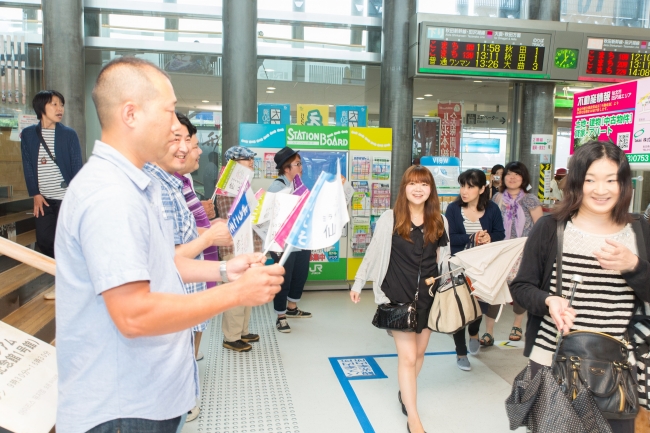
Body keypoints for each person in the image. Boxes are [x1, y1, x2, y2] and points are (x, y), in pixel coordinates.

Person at [54, 56, 284, 433]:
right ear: (131, 114)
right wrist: (237, 293)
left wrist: (226, 270)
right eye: (170, 111)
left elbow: (163, 263)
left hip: (145, 397)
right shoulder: (111, 196)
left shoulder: (135, 186)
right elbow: (134, 314)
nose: (178, 126)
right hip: (123, 409)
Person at [510, 140, 650, 433]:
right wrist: (549, 301)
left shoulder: (640, 232)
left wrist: (634, 267)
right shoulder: (551, 228)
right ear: (576, 182)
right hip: (553, 361)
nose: (601, 190)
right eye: (590, 180)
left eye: (611, 180)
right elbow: (522, 287)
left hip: (618, 370)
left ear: (624, 183)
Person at [350, 165, 450, 433]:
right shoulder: (390, 218)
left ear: (431, 190)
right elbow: (373, 253)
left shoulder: (439, 221)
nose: (418, 189)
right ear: (404, 188)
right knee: (407, 357)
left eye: (424, 184)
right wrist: (359, 281)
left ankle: (405, 392)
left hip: (428, 297)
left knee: (418, 353)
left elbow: (444, 260)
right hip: (397, 294)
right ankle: (413, 418)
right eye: (413, 183)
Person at [20, 90, 82, 300]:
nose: (59, 109)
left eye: (61, 105)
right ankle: (66, 278)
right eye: (54, 104)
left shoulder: (68, 134)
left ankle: (62, 284)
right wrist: (35, 194)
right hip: (43, 199)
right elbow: (28, 166)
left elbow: (76, 166)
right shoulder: (29, 135)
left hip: (67, 198)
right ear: (41, 108)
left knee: (66, 242)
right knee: (45, 241)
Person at [445, 169, 505, 371]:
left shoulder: (492, 209)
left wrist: (489, 238)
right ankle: (461, 352)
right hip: (458, 266)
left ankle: (474, 332)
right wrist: (473, 238)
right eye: (462, 185)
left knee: (478, 308)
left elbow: (500, 234)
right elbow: (449, 238)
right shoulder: (453, 209)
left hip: (483, 268)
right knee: (459, 309)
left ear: (481, 189)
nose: (464, 190)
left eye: (470, 186)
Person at [216, 146, 266, 352]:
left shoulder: (242, 183)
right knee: (236, 293)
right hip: (234, 248)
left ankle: (242, 331)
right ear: (234, 163)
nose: (252, 162)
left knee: (246, 292)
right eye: (247, 159)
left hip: (247, 246)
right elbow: (233, 216)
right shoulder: (228, 185)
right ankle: (232, 336)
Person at [489, 161, 543, 344]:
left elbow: (540, 228)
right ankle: (488, 330)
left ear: (523, 178)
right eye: (509, 174)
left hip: (523, 251)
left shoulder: (530, 200)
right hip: (500, 250)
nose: (512, 178)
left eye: (517, 174)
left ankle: (517, 325)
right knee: (494, 288)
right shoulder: (497, 198)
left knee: (519, 287)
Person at [268, 146, 313, 333]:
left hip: (300, 239)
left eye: (300, 163)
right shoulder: (277, 187)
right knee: (283, 279)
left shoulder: (299, 185)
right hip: (283, 243)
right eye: (297, 164)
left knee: (300, 274)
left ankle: (292, 308)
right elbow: (271, 216)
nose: (301, 167)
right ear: (286, 168)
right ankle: (281, 316)